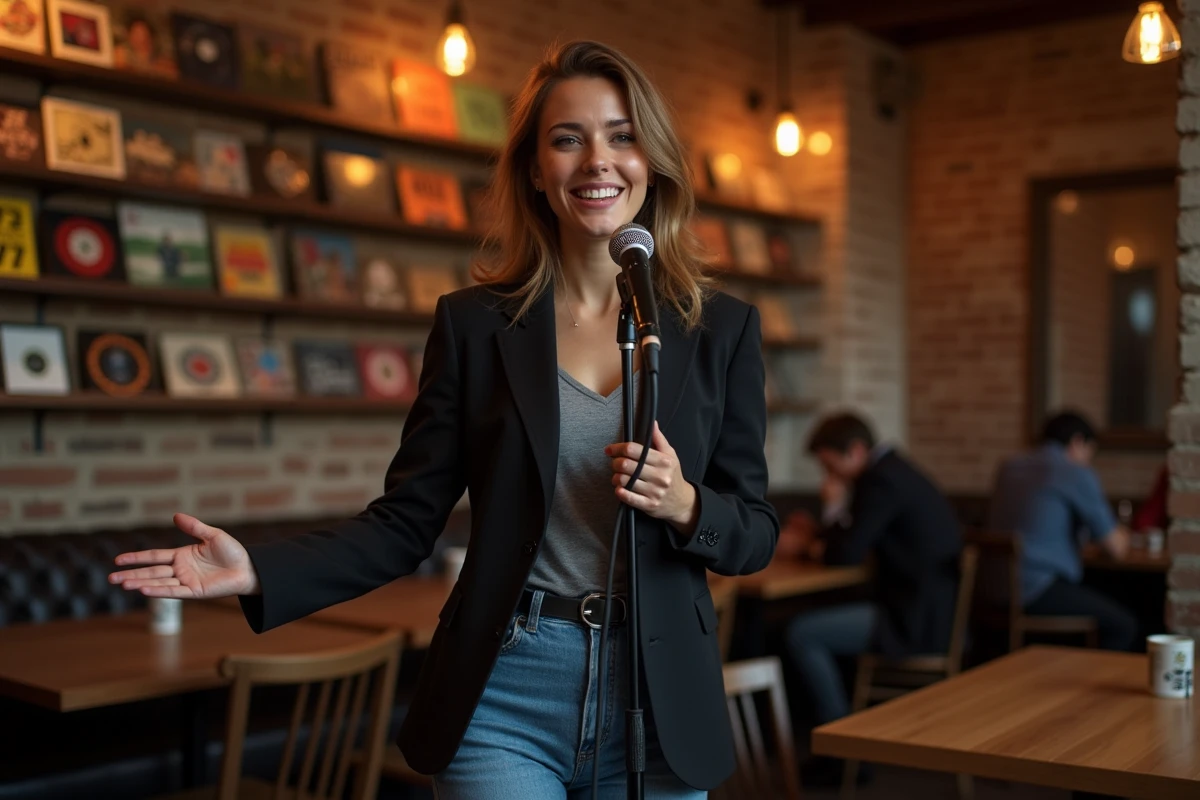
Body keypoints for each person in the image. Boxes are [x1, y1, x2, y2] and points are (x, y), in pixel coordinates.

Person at [108, 41, 779, 799]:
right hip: (506, 691)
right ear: (535, 168)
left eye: (621, 135)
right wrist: (262, 570)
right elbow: (405, 521)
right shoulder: (474, 327)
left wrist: (687, 505)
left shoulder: (721, 330)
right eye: (568, 139)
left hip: (658, 698)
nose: (597, 160)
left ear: (651, 160)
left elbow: (754, 532)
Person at [778, 412, 962, 786]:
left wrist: (828, 512)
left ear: (857, 451)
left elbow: (844, 553)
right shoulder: (894, 472)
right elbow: (850, 541)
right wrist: (820, 532)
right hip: (927, 610)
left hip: (912, 621)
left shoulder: (880, 481)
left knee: (802, 633)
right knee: (811, 623)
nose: (831, 477)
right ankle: (838, 744)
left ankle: (842, 754)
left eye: (832, 467)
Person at [989, 410, 1137, 651]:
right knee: (1124, 625)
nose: (1088, 460)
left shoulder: (1009, 467)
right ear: (1078, 442)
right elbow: (1116, 548)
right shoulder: (1073, 472)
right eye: (1090, 452)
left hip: (992, 588)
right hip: (1037, 588)